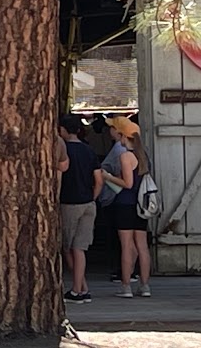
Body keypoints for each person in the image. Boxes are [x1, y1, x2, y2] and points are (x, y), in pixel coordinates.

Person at [101, 115, 152, 297]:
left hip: (125, 204)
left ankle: (126, 286)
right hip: (141, 204)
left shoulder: (125, 156)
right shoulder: (143, 154)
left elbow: (127, 183)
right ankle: (145, 285)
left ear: (122, 136)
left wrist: (107, 177)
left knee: (126, 246)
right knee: (142, 246)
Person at [58, 113, 103, 302]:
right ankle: (82, 288)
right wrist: (92, 197)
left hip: (69, 202)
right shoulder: (89, 151)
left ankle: (78, 289)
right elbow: (99, 180)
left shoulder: (62, 150)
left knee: (66, 247)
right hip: (88, 203)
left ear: (62, 130)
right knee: (80, 248)